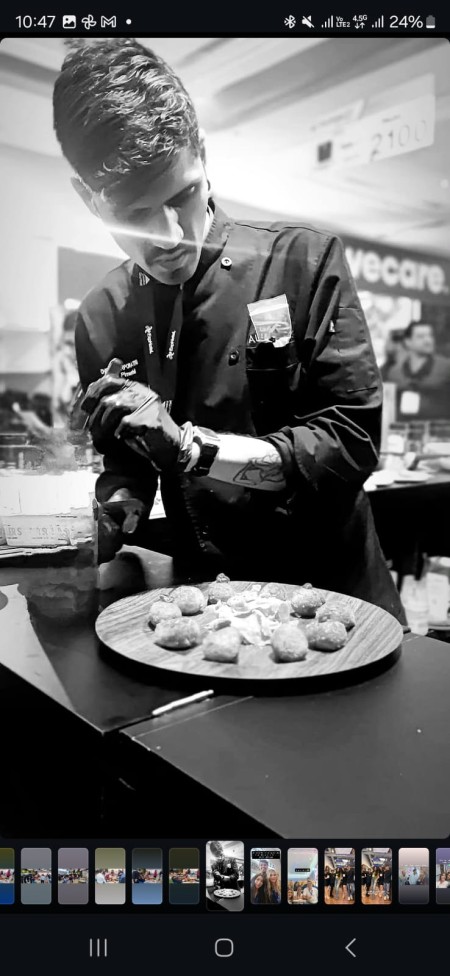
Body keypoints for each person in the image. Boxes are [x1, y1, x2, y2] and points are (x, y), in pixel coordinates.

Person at [52, 39, 405, 622]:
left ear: (203, 155)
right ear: (89, 199)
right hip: (204, 605)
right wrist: (118, 510)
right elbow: (127, 462)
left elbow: (352, 442)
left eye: (183, 195)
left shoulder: (303, 261)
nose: (170, 237)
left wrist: (192, 448)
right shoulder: (102, 313)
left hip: (334, 601)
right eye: (135, 213)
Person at [383, 321, 450, 420]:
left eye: (430, 335)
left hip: (438, 426)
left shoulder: (445, 368)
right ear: (408, 342)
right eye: (420, 336)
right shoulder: (394, 373)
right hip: (403, 426)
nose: (427, 340)